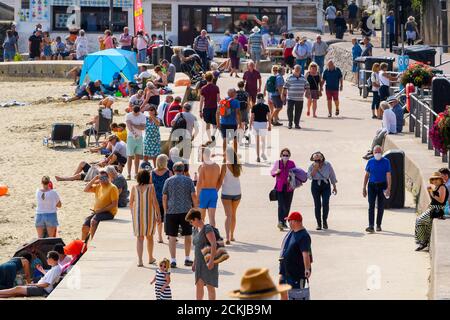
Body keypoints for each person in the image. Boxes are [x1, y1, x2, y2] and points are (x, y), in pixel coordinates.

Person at [162, 162, 197, 268]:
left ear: (173, 170)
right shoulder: (188, 180)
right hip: (186, 211)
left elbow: (164, 197)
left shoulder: (168, 181)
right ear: (183, 170)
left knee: (172, 236)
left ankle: (173, 260)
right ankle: (187, 258)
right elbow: (193, 196)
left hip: (172, 211)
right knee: (187, 235)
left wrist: (165, 210)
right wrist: (195, 209)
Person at [185, 209, 219, 300]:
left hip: (208, 261)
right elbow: (197, 247)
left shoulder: (207, 228)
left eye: (191, 221)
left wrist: (211, 261)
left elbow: (213, 244)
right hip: (199, 263)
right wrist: (194, 262)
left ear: (196, 219)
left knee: (210, 286)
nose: (191, 224)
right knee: (199, 285)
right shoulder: (195, 230)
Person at [129, 169, 161, 266]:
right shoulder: (151, 187)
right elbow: (155, 202)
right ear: (148, 177)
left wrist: (133, 214)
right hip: (149, 215)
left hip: (137, 216)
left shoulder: (134, 187)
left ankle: (140, 260)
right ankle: (150, 257)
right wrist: (158, 214)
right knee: (149, 237)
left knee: (139, 238)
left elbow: (131, 203)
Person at [279, 211, 312, 300]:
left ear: (295, 221)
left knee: (296, 296)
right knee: (283, 294)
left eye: (289, 220)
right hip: (285, 272)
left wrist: (307, 269)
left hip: (295, 274)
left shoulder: (304, 236)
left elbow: (306, 254)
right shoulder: (292, 232)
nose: (288, 222)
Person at [415, 172, 448, 251]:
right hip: (433, 208)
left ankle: (423, 242)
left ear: (440, 180)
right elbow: (434, 200)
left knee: (419, 220)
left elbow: (441, 200)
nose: (435, 181)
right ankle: (425, 242)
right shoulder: (437, 187)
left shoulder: (442, 187)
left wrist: (431, 193)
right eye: (433, 179)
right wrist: (431, 192)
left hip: (437, 209)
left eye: (437, 179)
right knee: (427, 225)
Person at [82, 170, 119, 240]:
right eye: (101, 178)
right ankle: (82, 243)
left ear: (108, 177)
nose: (103, 179)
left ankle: (92, 240)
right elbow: (85, 189)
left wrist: (100, 211)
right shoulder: (99, 186)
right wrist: (94, 179)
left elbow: (114, 204)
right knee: (85, 225)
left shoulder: (112, 188)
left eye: (105, 177)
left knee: (93, 221)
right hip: (98, 211)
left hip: (109, 212)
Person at [363, 145, 391, 233]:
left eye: (379, 152)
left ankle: (378, 225)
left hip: (382, 185)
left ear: (382, 153)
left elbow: (388, 175)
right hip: (371, 185)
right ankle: (371, 226)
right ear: (373, 153)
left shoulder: (386, 161)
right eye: (376, 152)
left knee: (380, 206)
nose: (378, 154)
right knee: (371, 206)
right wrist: (364, 187)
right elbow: (367, 175)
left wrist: (388, 188)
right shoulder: (370, 162)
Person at [308, 152, 337, 230]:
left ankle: (324, 220)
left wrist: (334, 186)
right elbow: (310, 177)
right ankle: (318, 223)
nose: (318, 162)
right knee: (317, 205)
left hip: (325, 184)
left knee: (325, 203)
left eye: (319, 159)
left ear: (322, 158)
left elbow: (332, 175)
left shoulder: (327, 165)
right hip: (315, 185)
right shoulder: (311, 166)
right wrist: (315, 169)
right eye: (315, 160)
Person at [218, 147, 242, 244]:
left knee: (228, 215)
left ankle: (227, 237)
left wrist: (215, 190)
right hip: (237, 192)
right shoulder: (238, 165)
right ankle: (232, 235)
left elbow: (220, 180)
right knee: (233, 215)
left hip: (227, 192)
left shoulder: (224, 165)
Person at [271, 148, 296, 230]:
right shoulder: (277, 163)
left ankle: (284, 221)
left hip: (289, 188)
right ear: (281, 155)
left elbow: (296, 173)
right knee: (281, 205)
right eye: (283, 155)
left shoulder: (292, 163)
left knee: (287, 206)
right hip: (280, 187)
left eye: (287, 155)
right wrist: (276, 172)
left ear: (289, 156)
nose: (285, 156)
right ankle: (280, 222)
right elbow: (272, 172)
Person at [197, 147, 221, 226]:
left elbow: (199, 183)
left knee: (201, 218)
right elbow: (219, 181)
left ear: (203, 154)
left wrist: (197, 197)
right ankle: (213, 235)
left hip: (204, 192)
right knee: (212, 217)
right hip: (213, 192)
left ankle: (201, 235)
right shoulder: (217, 166)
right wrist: (215, 190)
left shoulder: (202, 166)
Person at [282, 64, 310, 129]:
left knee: (298, 112)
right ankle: (290, 123)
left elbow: (307, 86)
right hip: (290, 98)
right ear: (293, 70)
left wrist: (307, 92)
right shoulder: (289, 78)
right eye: (296, 69)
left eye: (298, 69)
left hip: (300, 99)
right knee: (290, 111)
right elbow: (285, 87)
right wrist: (283, 96)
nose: (297, 70)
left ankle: (297, 124)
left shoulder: (303, 78)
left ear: (300, 70)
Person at [152, 154, 172, 243]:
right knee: (168, 217)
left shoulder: (152, 172)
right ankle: (170, 235)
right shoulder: (169, 172)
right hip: (167, 198)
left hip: (156, 198)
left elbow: (150, 185)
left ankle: (160, 237)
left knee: (158, 218)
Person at [216, 88, 242, 154]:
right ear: (233, 94)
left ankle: (224, 155)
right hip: (233, 123)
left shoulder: (222, 101)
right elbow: (238, 113)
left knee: (225, 139)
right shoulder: (236, 102)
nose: (236, 94)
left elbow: (217, 113)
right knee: (234, 139)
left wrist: (218, 123)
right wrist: (240, 124)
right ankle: (235, 154)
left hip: (223, 123)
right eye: (235, 93)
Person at [126, 104, 146, 180]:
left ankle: (136, 173)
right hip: (131, 137)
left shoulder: (142, 116)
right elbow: (128, 125)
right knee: (129, 156)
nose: (135, 114)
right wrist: (134, 132)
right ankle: (128, 173)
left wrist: (134, 124)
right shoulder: (128, 115)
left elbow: (143, 127)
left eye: (136, 113)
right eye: (134, 113)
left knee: (137, 156)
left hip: (139, 137)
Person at [200, 72, 220, 142]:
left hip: (206, 108)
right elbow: (218, 100)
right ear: (212, 78)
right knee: (215, 123)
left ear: (205, 79)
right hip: (214, 107)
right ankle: (213, 135)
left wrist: (200, 111)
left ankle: (209, 138)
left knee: (207, 123)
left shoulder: (203, 88)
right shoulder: (216, 88)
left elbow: (201, 101)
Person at [250, 93, 271, 162]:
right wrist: (270, 125)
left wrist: (250, 124)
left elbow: (252, 116)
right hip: (263, 124)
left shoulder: (254, 106)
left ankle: (258, 156)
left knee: (257, 141)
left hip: (256, 124)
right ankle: (262, 153)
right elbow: (269, 116)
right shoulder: (266, 106)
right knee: (263, 140)